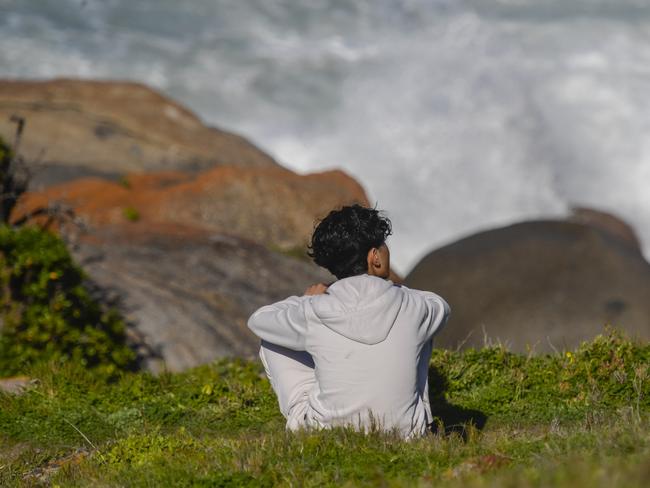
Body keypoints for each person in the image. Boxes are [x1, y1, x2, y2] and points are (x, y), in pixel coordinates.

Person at [247, 204, 450, 438]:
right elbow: (440, 306)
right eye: (382, 246)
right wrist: (396, 289)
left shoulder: (313, 310)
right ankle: (420, 425)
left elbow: (259, 320)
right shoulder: (414, 305)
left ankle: (305, 425)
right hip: (406, 435)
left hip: (328, 434)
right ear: (375, 257)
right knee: (422, 332)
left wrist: (305, 300)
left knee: (272, 339)